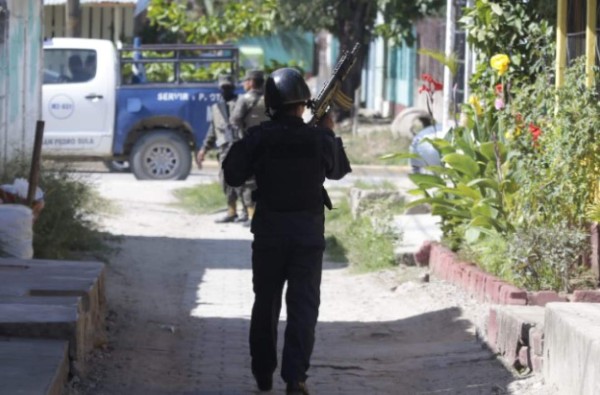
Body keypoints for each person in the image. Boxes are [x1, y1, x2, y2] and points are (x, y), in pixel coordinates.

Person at [223, 68, 352, 395]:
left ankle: (263, 374)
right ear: (302, 103)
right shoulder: (318, 138)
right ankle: (295, 379)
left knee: (265, 304)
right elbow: (337, 172)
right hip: (307, 236)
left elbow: (233, 174)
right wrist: (327, 132)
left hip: (269, 234)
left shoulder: (260, 137)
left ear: (270, 104)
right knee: (303, 307)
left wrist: (254, 141)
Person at [196, 74, 245, 223]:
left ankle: (246, 212)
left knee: (243, 182)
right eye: (223, 88)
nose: (225, 90)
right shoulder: (216, 108)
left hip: (240, 148)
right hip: (224, 150)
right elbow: (212, 130)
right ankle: (231, 212)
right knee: (226, 182)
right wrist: (204, 149)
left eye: (228, 87)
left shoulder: (241, 104)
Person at [228, 69, 268, 224]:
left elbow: (234, 120)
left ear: (251, 82)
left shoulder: (244, 99)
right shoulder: (269, 99)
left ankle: (252, 215)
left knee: (249, 182)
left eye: (245, 81)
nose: (244, 84)